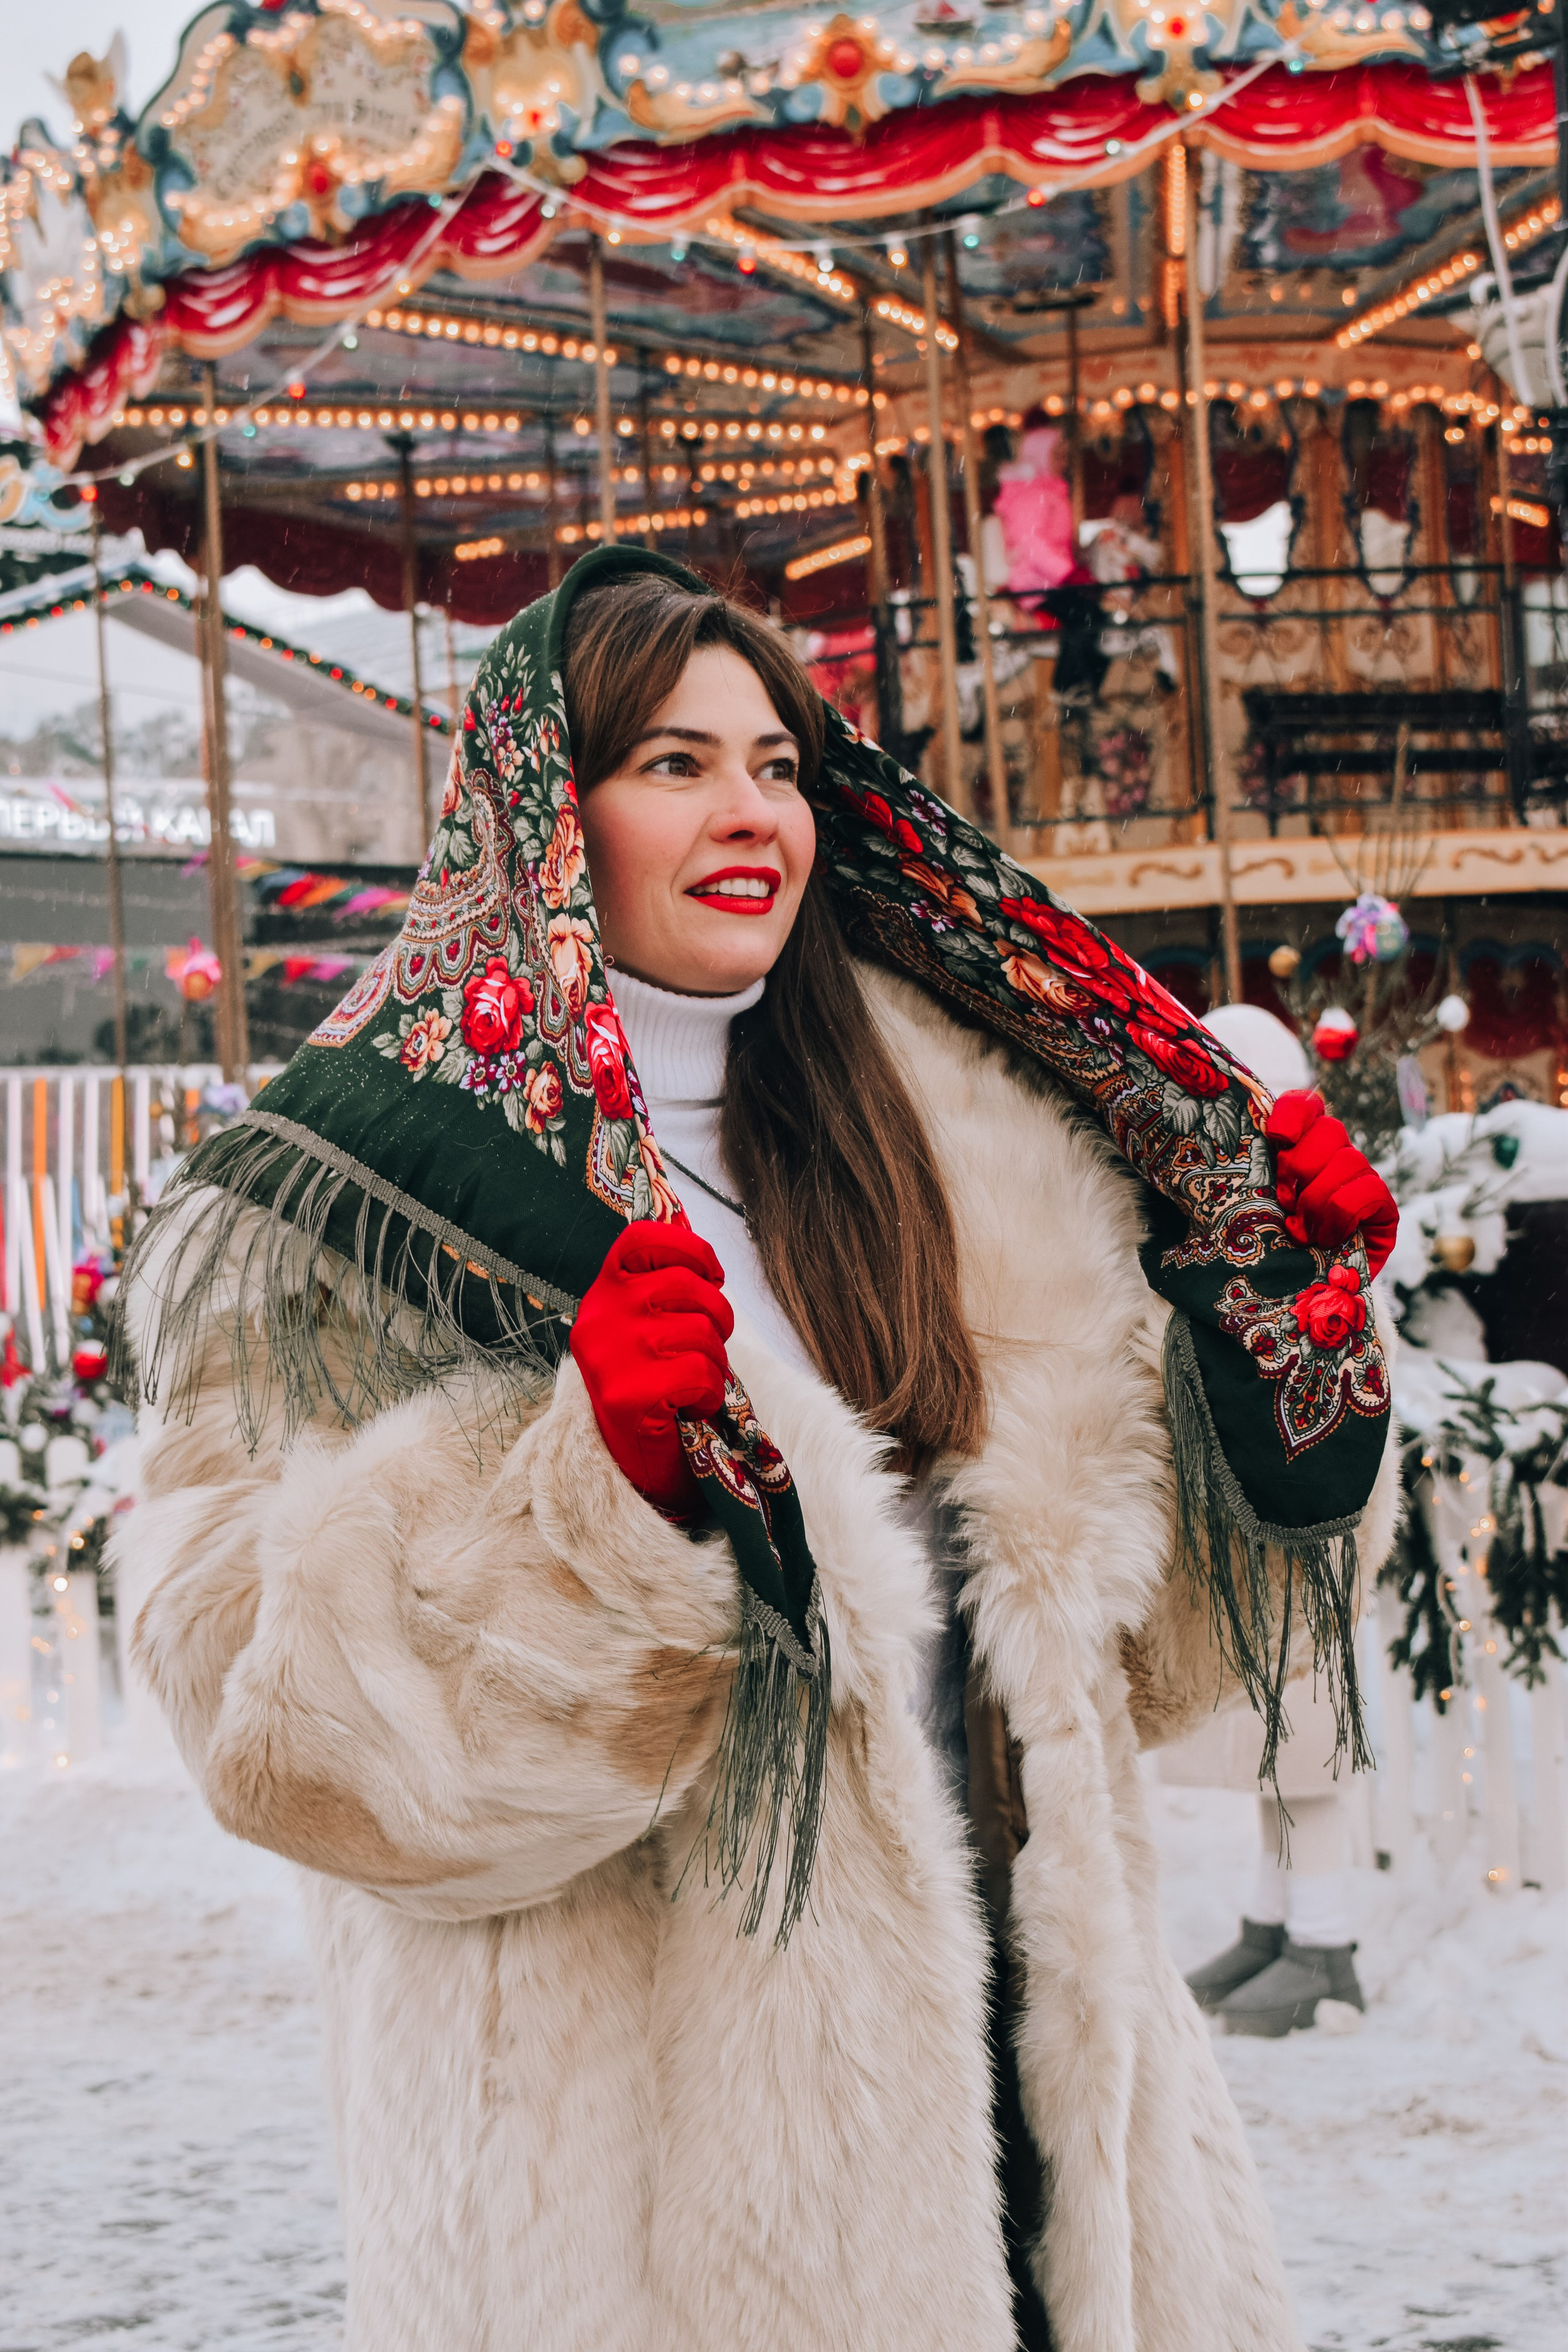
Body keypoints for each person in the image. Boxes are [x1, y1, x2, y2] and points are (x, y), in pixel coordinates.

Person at [117, 551, 1400, 2352]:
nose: (753, 812)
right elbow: (282, 1747)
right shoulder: (358, 1215)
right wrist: (595, 1519)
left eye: (782, 763)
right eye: (674, 763)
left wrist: (1261, 1338)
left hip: (1049, 2177)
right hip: (639, 2226)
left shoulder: (971, 1152)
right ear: (546, 813)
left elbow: (1139, 1674)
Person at [1170, 1004, 1391, 2037]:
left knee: (1305, 1750)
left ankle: (1326, 1943)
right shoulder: (1265, 1211)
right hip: (1277, 1527)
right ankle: (1273, 1923)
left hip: (1314, 1531)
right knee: (1273, 1743)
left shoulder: (1321, 1219)